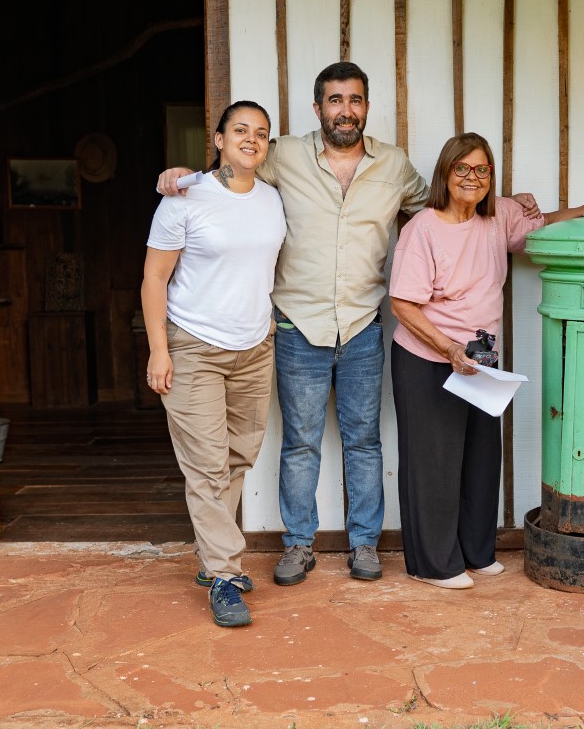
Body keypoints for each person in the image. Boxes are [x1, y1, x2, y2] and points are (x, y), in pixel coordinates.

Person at [157, 62, 541, 587]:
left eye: (355, 100)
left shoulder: (394, 165)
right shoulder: (284, 154)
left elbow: (446, 200)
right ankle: (298, 545)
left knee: (364, 442)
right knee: (300, 442)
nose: (346, 109)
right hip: (298, 325)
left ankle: (364, 545)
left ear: (366, 107)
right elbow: (234, 171)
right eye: (335, 100)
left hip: (362, 323)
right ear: (318, 108)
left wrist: (509, 203)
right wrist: (183, 173)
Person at [389, 132, 584, 589]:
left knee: (480, 457)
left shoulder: (499, 217)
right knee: (434, 463)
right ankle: (435, 564)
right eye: (462, 169)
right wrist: (448, 349)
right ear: (445, 174)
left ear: (491, 175)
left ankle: (476, 552)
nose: (472, 177)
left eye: (482, 169)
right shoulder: (423, 228)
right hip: (428, 358)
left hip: (481, 361)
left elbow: (543, 224)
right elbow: (402, 304)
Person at [142, 100, 286, 627]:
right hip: (194, 347)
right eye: (241, 130)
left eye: (262, 133)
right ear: (219, 139)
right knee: (206, 465)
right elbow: (154, 278)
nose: (252, 139)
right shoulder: (184, 198)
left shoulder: (273, 200)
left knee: (239, 457)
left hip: (254, 347)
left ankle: (211, 559)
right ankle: (224, 574)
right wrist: (159, 348)